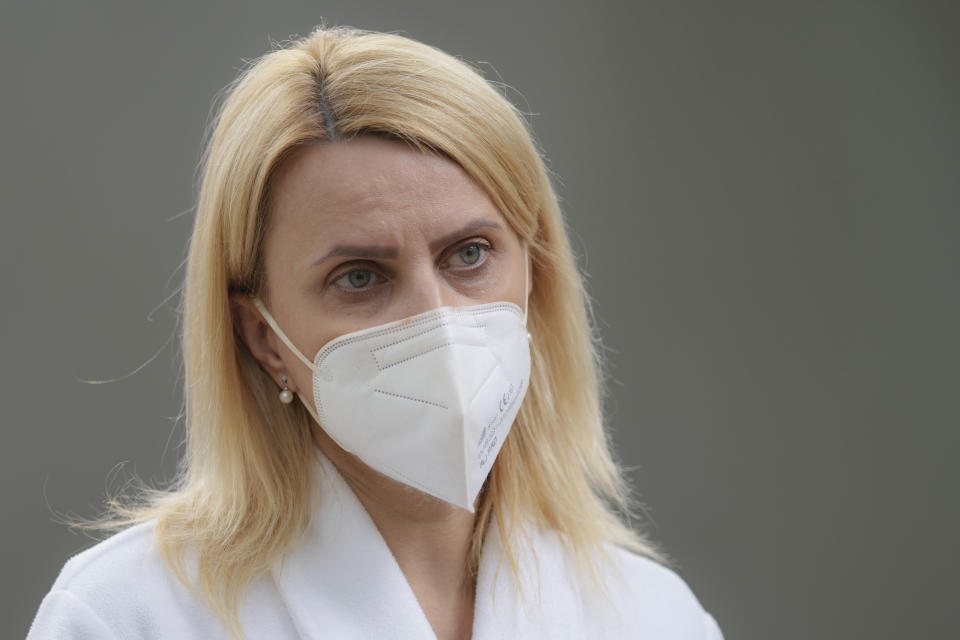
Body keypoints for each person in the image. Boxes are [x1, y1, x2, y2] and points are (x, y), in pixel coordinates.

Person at [27, 26, 723, 640]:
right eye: (359, 277)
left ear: (535, 275)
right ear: (264, 338)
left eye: (470, 255)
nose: (436, 318)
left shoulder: (650, 616)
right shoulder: (127, 618)